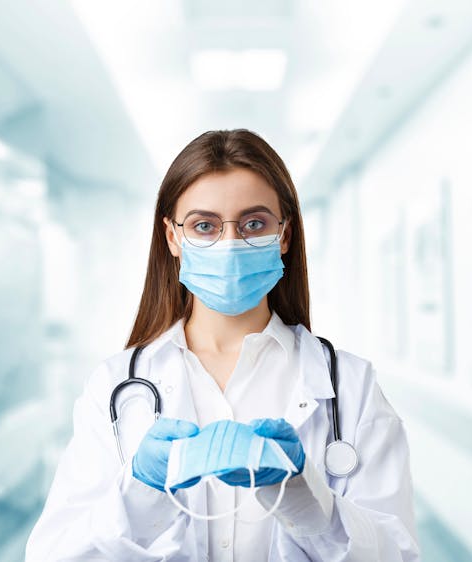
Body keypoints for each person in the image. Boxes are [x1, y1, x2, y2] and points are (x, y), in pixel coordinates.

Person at [25, 129, 421, 561]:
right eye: (204, 226)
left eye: (254, 224)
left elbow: (397, 555)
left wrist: (310, 503)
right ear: (173, 238)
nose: (230, 244)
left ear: (284, 234)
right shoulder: (116, 386)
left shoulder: (350, 386)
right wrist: (141, 493)